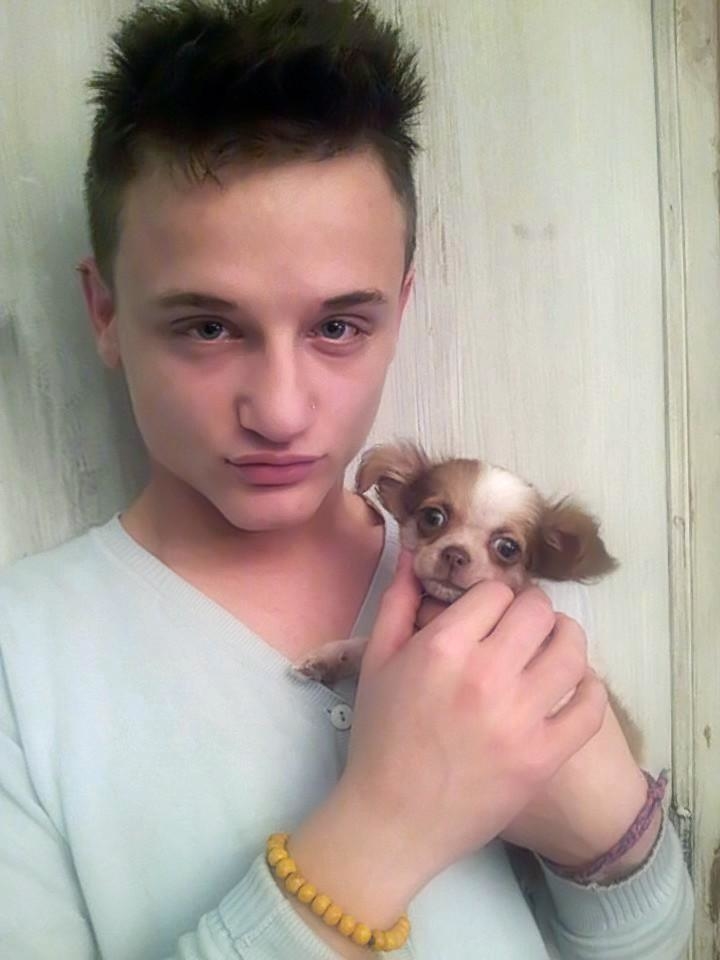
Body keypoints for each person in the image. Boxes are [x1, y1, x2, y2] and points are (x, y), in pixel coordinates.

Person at [0, 1, 693, 958]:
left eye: (337, 326)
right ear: (106, 312)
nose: (281, 411)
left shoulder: (507, 605)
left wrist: (612, 849)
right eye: (208, 326)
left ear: (399, 309)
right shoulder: (21, 665)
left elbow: (656, 935)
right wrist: (386, 826)